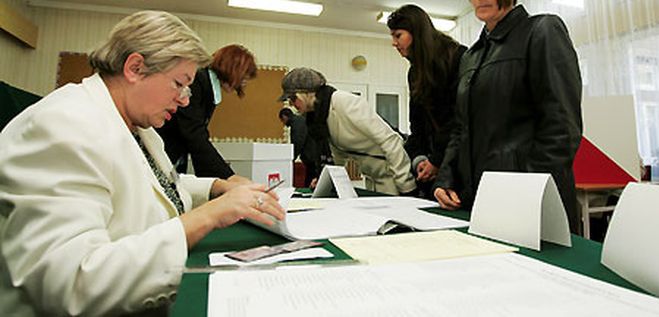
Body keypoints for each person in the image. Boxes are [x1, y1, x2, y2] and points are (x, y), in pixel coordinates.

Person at [0, 11, 284, 316]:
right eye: (179, 83)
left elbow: (157, 182)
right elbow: (72, 283)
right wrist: (209, 216)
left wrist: (219, 187)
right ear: (135, 68)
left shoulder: (138, 127)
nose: (185, 99)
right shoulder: (62, 125)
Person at [433, 0, 583, 233]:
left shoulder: (542, 30)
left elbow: (562, 127)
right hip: (477, 202)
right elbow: (460, 129)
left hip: (528, 207)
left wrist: (527, 193)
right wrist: (446, 179)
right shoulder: (470, 55)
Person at [278, 67, 416, 196]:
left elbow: (390, 140)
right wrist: (324, 181)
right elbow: (339, 154)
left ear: (306, 94)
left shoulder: (342, 102)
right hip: (373, 178)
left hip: (395, 173)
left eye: (293, 98)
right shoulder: (318, 117)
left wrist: (406, 186)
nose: (291, 105)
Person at [387, 4, 467, 199]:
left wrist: (437, 160)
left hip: (460, 162)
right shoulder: (414, 72)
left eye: (398, 35)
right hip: (433, 164)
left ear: (416, 32)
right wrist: (420, 160)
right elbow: (417, 125)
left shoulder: (457, 57)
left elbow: (459, 118)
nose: (394, 43)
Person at [156, 44, 255, 186]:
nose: (244, 82)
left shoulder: (207, 85)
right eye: (244, 76)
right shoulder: (198, 82)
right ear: (233, 69)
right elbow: (194, 134)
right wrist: (227, 178)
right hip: (163, 153)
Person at [279, 107, 320, 187]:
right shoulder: (300, 120)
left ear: (285, 117)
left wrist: (292, 158)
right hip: (313, 154)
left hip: (310, 156)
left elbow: (298, 142)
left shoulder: (296, 123)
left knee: (310, 181)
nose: (283, 123)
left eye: (282, 120)